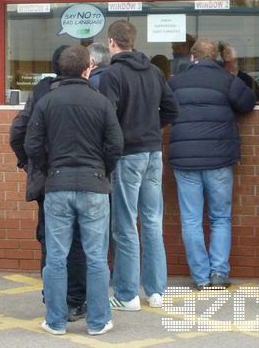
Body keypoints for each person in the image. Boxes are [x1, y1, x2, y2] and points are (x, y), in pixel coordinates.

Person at [25, 45, 123, 336]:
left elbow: (32, 144)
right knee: (95, 257)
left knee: (55, 257)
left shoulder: (47, 101)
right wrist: (102, 170)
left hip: (57, 184)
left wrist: (50, 166)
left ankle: (55, 321)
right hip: (94, 185)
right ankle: (97, 321)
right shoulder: (102, 102)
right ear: (88, 68)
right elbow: (116, 146)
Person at [98, 20, 179, 311]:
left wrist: (122, 136)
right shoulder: (155, 71)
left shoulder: (112, 74)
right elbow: (172, 109)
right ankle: (156, 292)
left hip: (127, 155)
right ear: (133, 40)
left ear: (112, 43)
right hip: (153, 153)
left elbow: (107, 120)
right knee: (153, 223)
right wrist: (149, 128)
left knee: (125, 226)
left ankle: (127, 294)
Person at [168, 39, 255, 290]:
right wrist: (234, 69)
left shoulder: (176, 82)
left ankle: (201, 277)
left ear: (192, 58)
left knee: (191, 219)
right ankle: (219, 272)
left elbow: (162, 110)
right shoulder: (226, 80)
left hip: (185, 160)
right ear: (215, 57)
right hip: (219, 160)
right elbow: (248, 103)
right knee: (220, 217)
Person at [9, 45, 88, 321]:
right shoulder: (92, 93)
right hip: (87, 180)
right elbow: (112, 141)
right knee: (78, 240)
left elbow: (18, 133)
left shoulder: (42, 93)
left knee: (50, 240)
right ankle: (75, 300)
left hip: (49, 179)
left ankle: (52, 298)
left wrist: (30, 165)